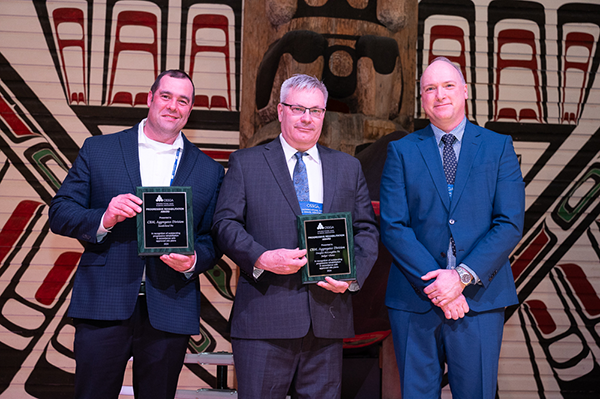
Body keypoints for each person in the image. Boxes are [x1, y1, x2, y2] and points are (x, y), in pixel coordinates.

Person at [49, 70, 224, 399]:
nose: (173, 106)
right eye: (166, 96)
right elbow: (60, 213)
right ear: (150, 98)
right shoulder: (99, 149)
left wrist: (193, 260)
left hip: (170, 306)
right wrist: (105, 216)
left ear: (190, 110)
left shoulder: (209, 169)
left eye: (183, 100)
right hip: (104, 303)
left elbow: (213, 238)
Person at [212, 74, 379, 398]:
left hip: (327, 319)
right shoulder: (247, 163)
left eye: (316, 111)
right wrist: (260, 257)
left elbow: (366, 230)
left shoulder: (348, 167)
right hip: (264, 318)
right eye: (299, 108)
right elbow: (225, 224)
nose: (307, 118)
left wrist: (352, 274)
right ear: (280, 111)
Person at [380, 57, 525, 398]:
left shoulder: (497, 147)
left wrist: (459, 278)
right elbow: (393, 226)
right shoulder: (401, 151)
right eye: (430, 88)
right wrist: (438, 284)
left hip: (478, 298)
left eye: (447, 86)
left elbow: (509, 223)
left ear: (464, 91)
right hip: (415, 300)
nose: (439, 94)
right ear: (422, 99)